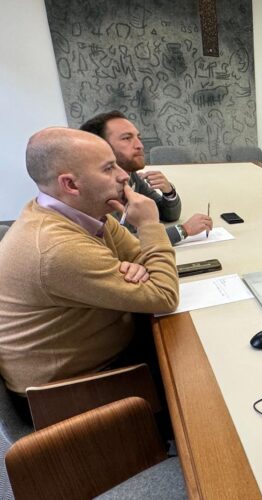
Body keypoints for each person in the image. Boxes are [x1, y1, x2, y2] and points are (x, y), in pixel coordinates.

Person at [0, 127, 179, 403]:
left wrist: (143, 268)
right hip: (67, 394)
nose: (123, 175)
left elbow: (141, 258)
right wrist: (149, 225)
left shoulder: (84, 212)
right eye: (109, 168)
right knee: (194, 374)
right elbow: (164, 296)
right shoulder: (55, 248)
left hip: (99, 353)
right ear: (70, 185)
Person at [80, 111, 212, 245]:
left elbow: (166, 215)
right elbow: (124, 245)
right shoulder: (97, 192)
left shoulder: (131, 175)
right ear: (100, 146)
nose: (140, 145)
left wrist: (169, 193)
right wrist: (183, 230)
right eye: (126, 138)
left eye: (139, 138)